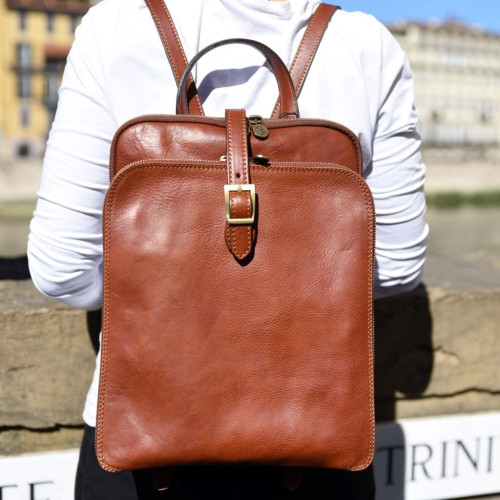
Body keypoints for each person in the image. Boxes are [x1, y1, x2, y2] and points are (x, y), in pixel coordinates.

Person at [27, 0, 428, 498]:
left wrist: (171, 283)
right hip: (312, 440)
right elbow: (398, 264)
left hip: (149, 443)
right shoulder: (368, 45)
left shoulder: (114, 26)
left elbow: (61, 270)